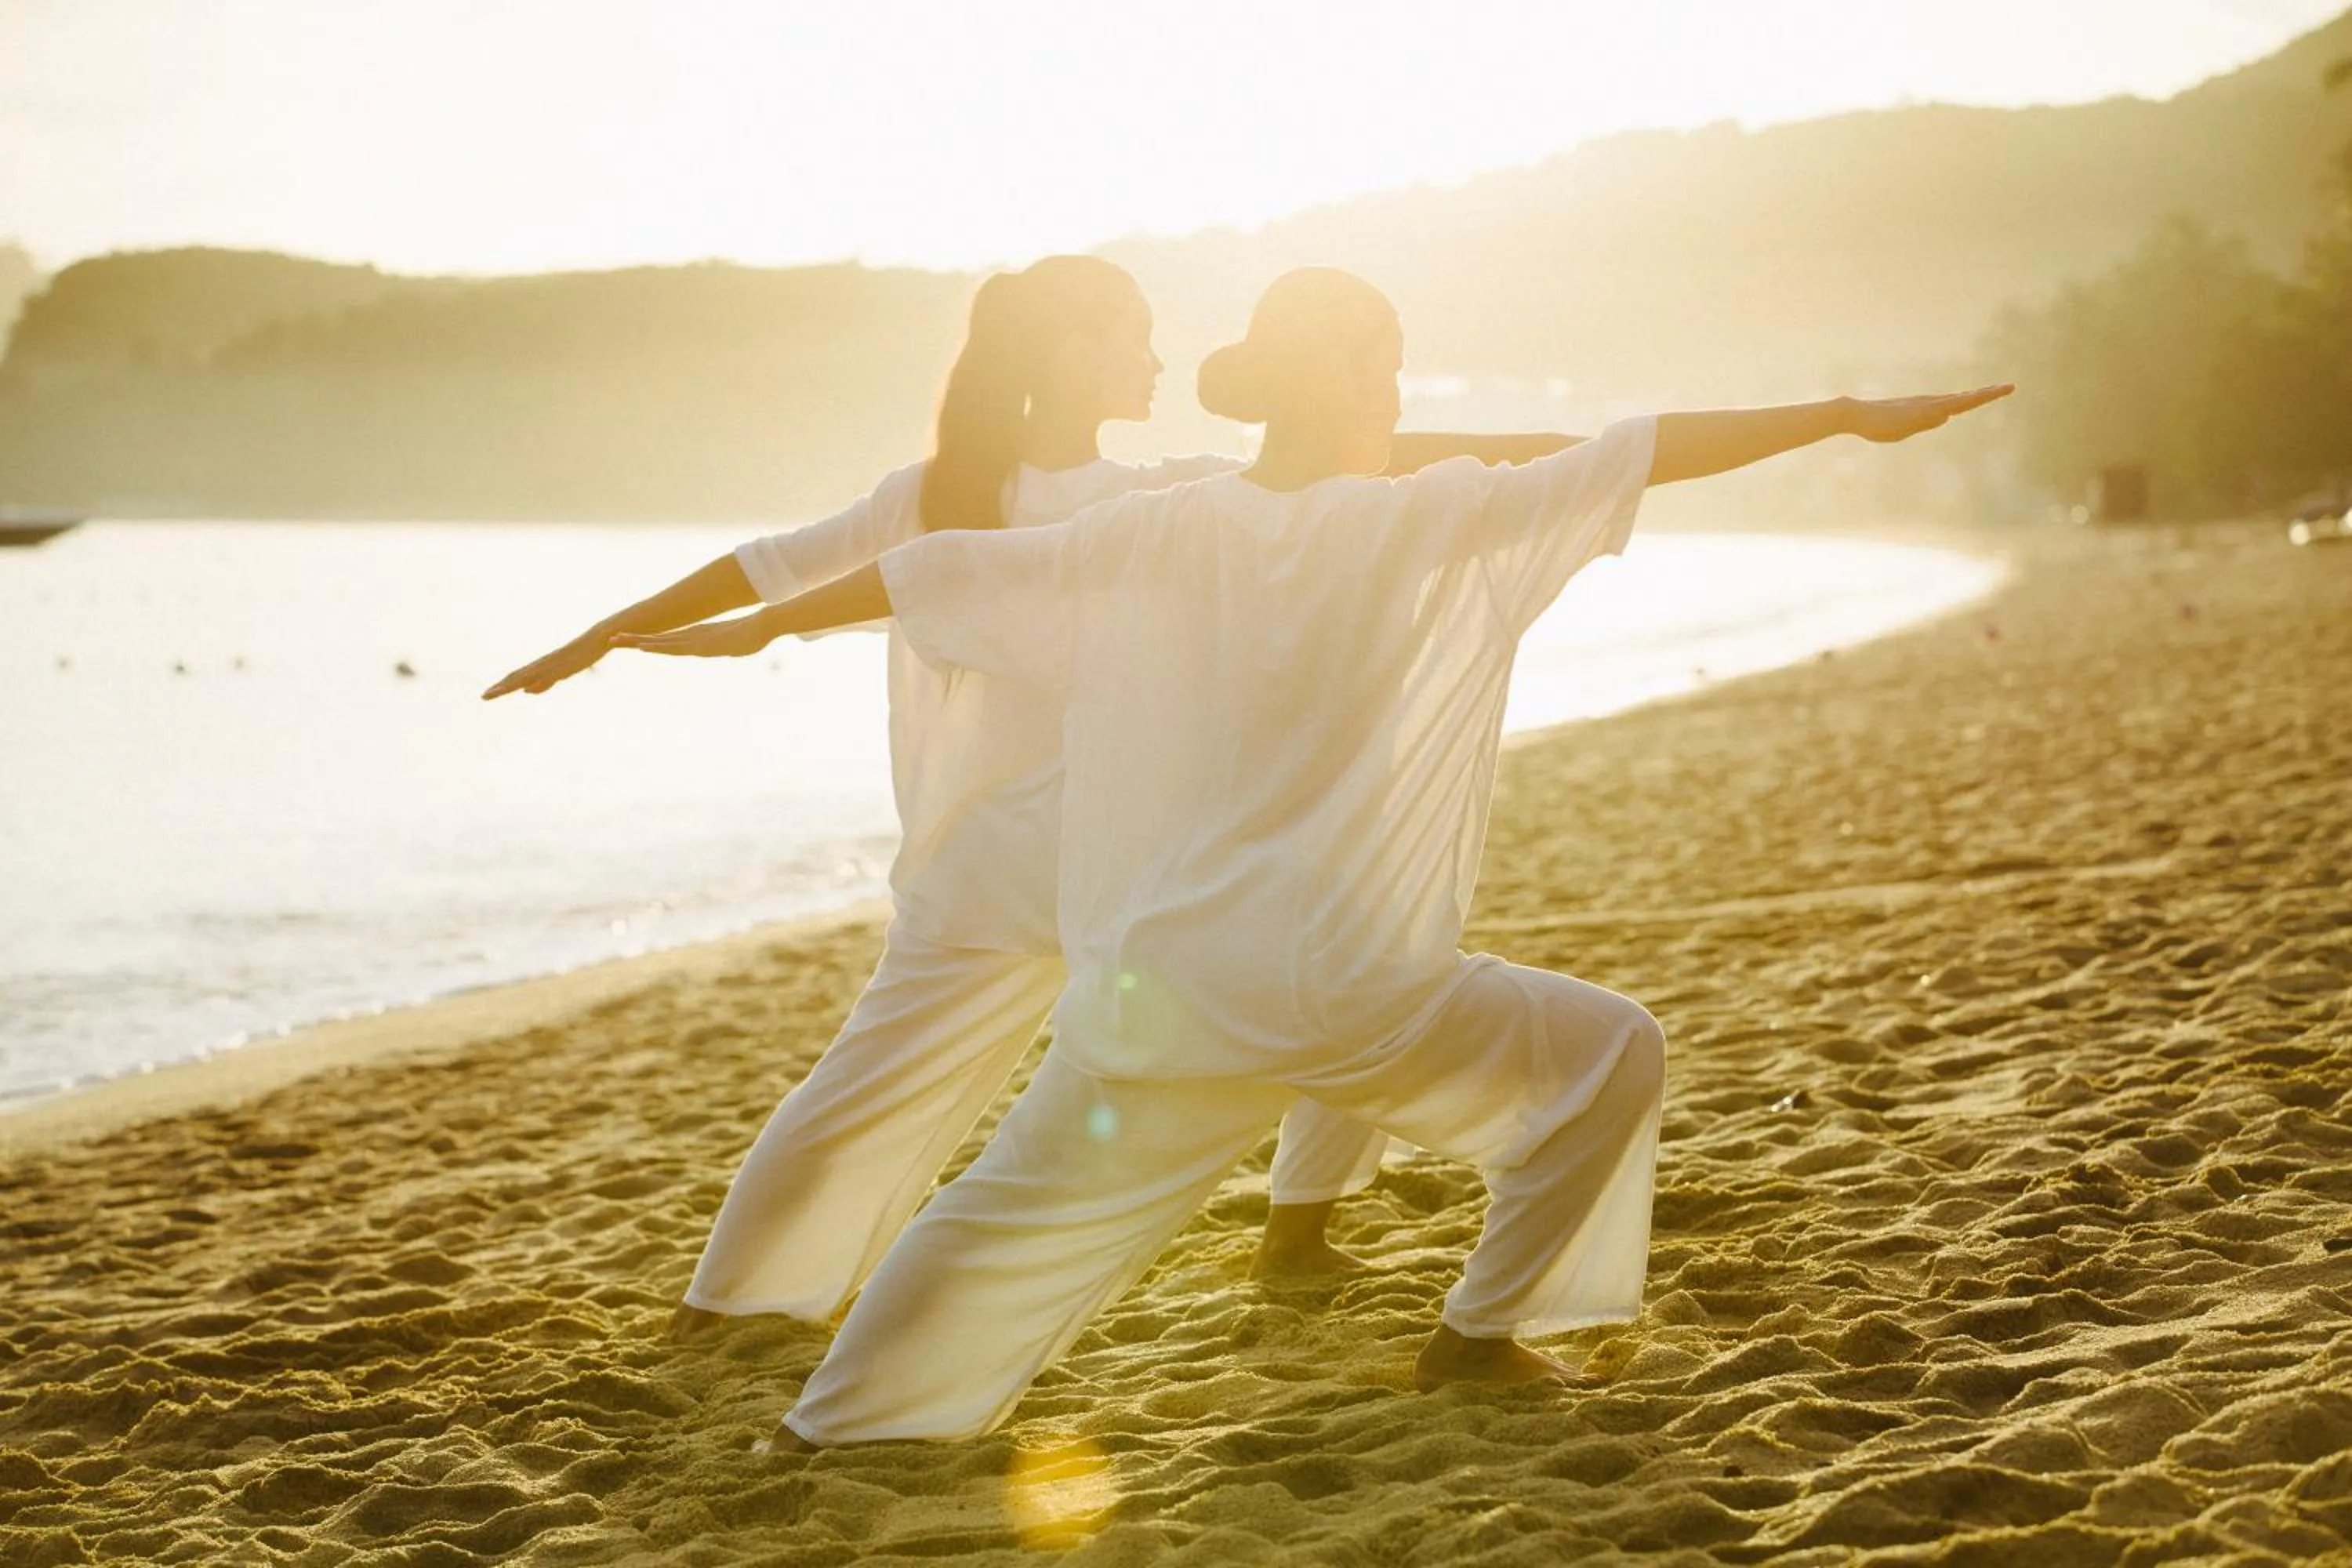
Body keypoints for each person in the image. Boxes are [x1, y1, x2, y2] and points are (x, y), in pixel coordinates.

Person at [618, 266, 2011, 1447]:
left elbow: (935, 578)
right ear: (1338, 384)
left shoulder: (1153, 529)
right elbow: (1634, 447)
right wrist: (1837, 415)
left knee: (995, 1219)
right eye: (1382, 363)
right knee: (1607, 1060)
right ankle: (1478, 1339)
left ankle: (839, 1420)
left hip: (1160, 991)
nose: (1394, 389)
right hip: (1352, 990)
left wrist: (761, 627)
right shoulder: (1418, 515)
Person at [483, 256, 1581, 1333]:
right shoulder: (1154, 496)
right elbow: (1383, 466)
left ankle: (730, 1303)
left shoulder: (943, 495)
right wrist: (1567, 465)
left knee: (864, 1096)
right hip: (1122, 863)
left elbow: (767, 573)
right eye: (1135, 332)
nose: (1154, 357)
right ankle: (1295, 1233)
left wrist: (603, 635)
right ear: (1071, 348)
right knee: (1337, 958)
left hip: (999, 870)